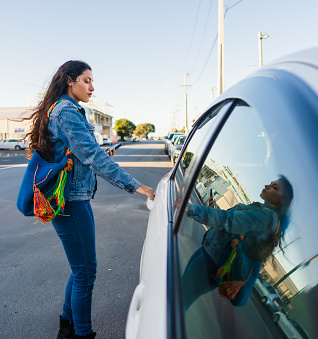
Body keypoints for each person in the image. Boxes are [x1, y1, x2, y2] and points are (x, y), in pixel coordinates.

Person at [24, 60, 154, 339]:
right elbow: (92, 157)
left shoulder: (58, 109)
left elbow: (83, 156)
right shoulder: (66, 112)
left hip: (72, 199)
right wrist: (136, 186)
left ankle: (67, 327)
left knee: (80, 269)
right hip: (71, 202)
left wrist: (98, 157)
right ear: (70, 80)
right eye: (86, 80)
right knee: (85, 273)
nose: (92, 87)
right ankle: (81, 334)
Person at [181, 176, 293, 310]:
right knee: (181, 294)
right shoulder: (262, 212)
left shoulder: (266, 218)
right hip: (209, 254)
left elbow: (226, 220)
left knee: (181, 300)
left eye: (274, 187)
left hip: (212, 263)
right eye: (271, 183)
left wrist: (187, 208)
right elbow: (233, 228)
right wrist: (214, 208)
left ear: (282, 200)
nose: (267, 185)